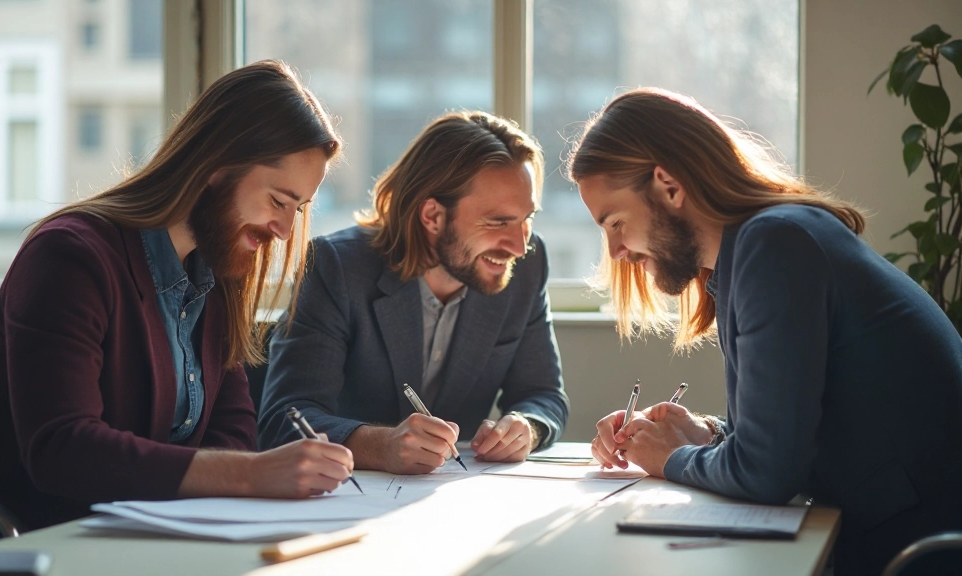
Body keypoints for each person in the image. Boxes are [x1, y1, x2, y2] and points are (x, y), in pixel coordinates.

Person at [0, 61, 355, 533]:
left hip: (140, 540)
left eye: (297, 210)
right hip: (17, 542)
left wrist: (239, 472)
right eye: (279, 201)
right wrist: (254, 474)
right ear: (217, 167)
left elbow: (233, 433)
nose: (283, 231)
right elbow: (63, 450)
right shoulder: (69, 257)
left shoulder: (215, 270)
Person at [575, 88, 962, 575]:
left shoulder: (774, 245)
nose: (615, 252)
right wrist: (704, 432)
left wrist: (671, 456)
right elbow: (784, 437)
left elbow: (767, 475)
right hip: (893, 534)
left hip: (922, 551)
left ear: (669, 186)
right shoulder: (758, 248)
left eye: (614, 222)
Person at [258, 111, 569, 474]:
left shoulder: (527, 267)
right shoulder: (337, 267)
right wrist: (381, 446)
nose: (519, 245)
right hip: (348, 500)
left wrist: (525, 426)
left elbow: (544, 396)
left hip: (457, 498)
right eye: (498, 221)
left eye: (526, 219)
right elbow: (285, 418)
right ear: (433, 216)